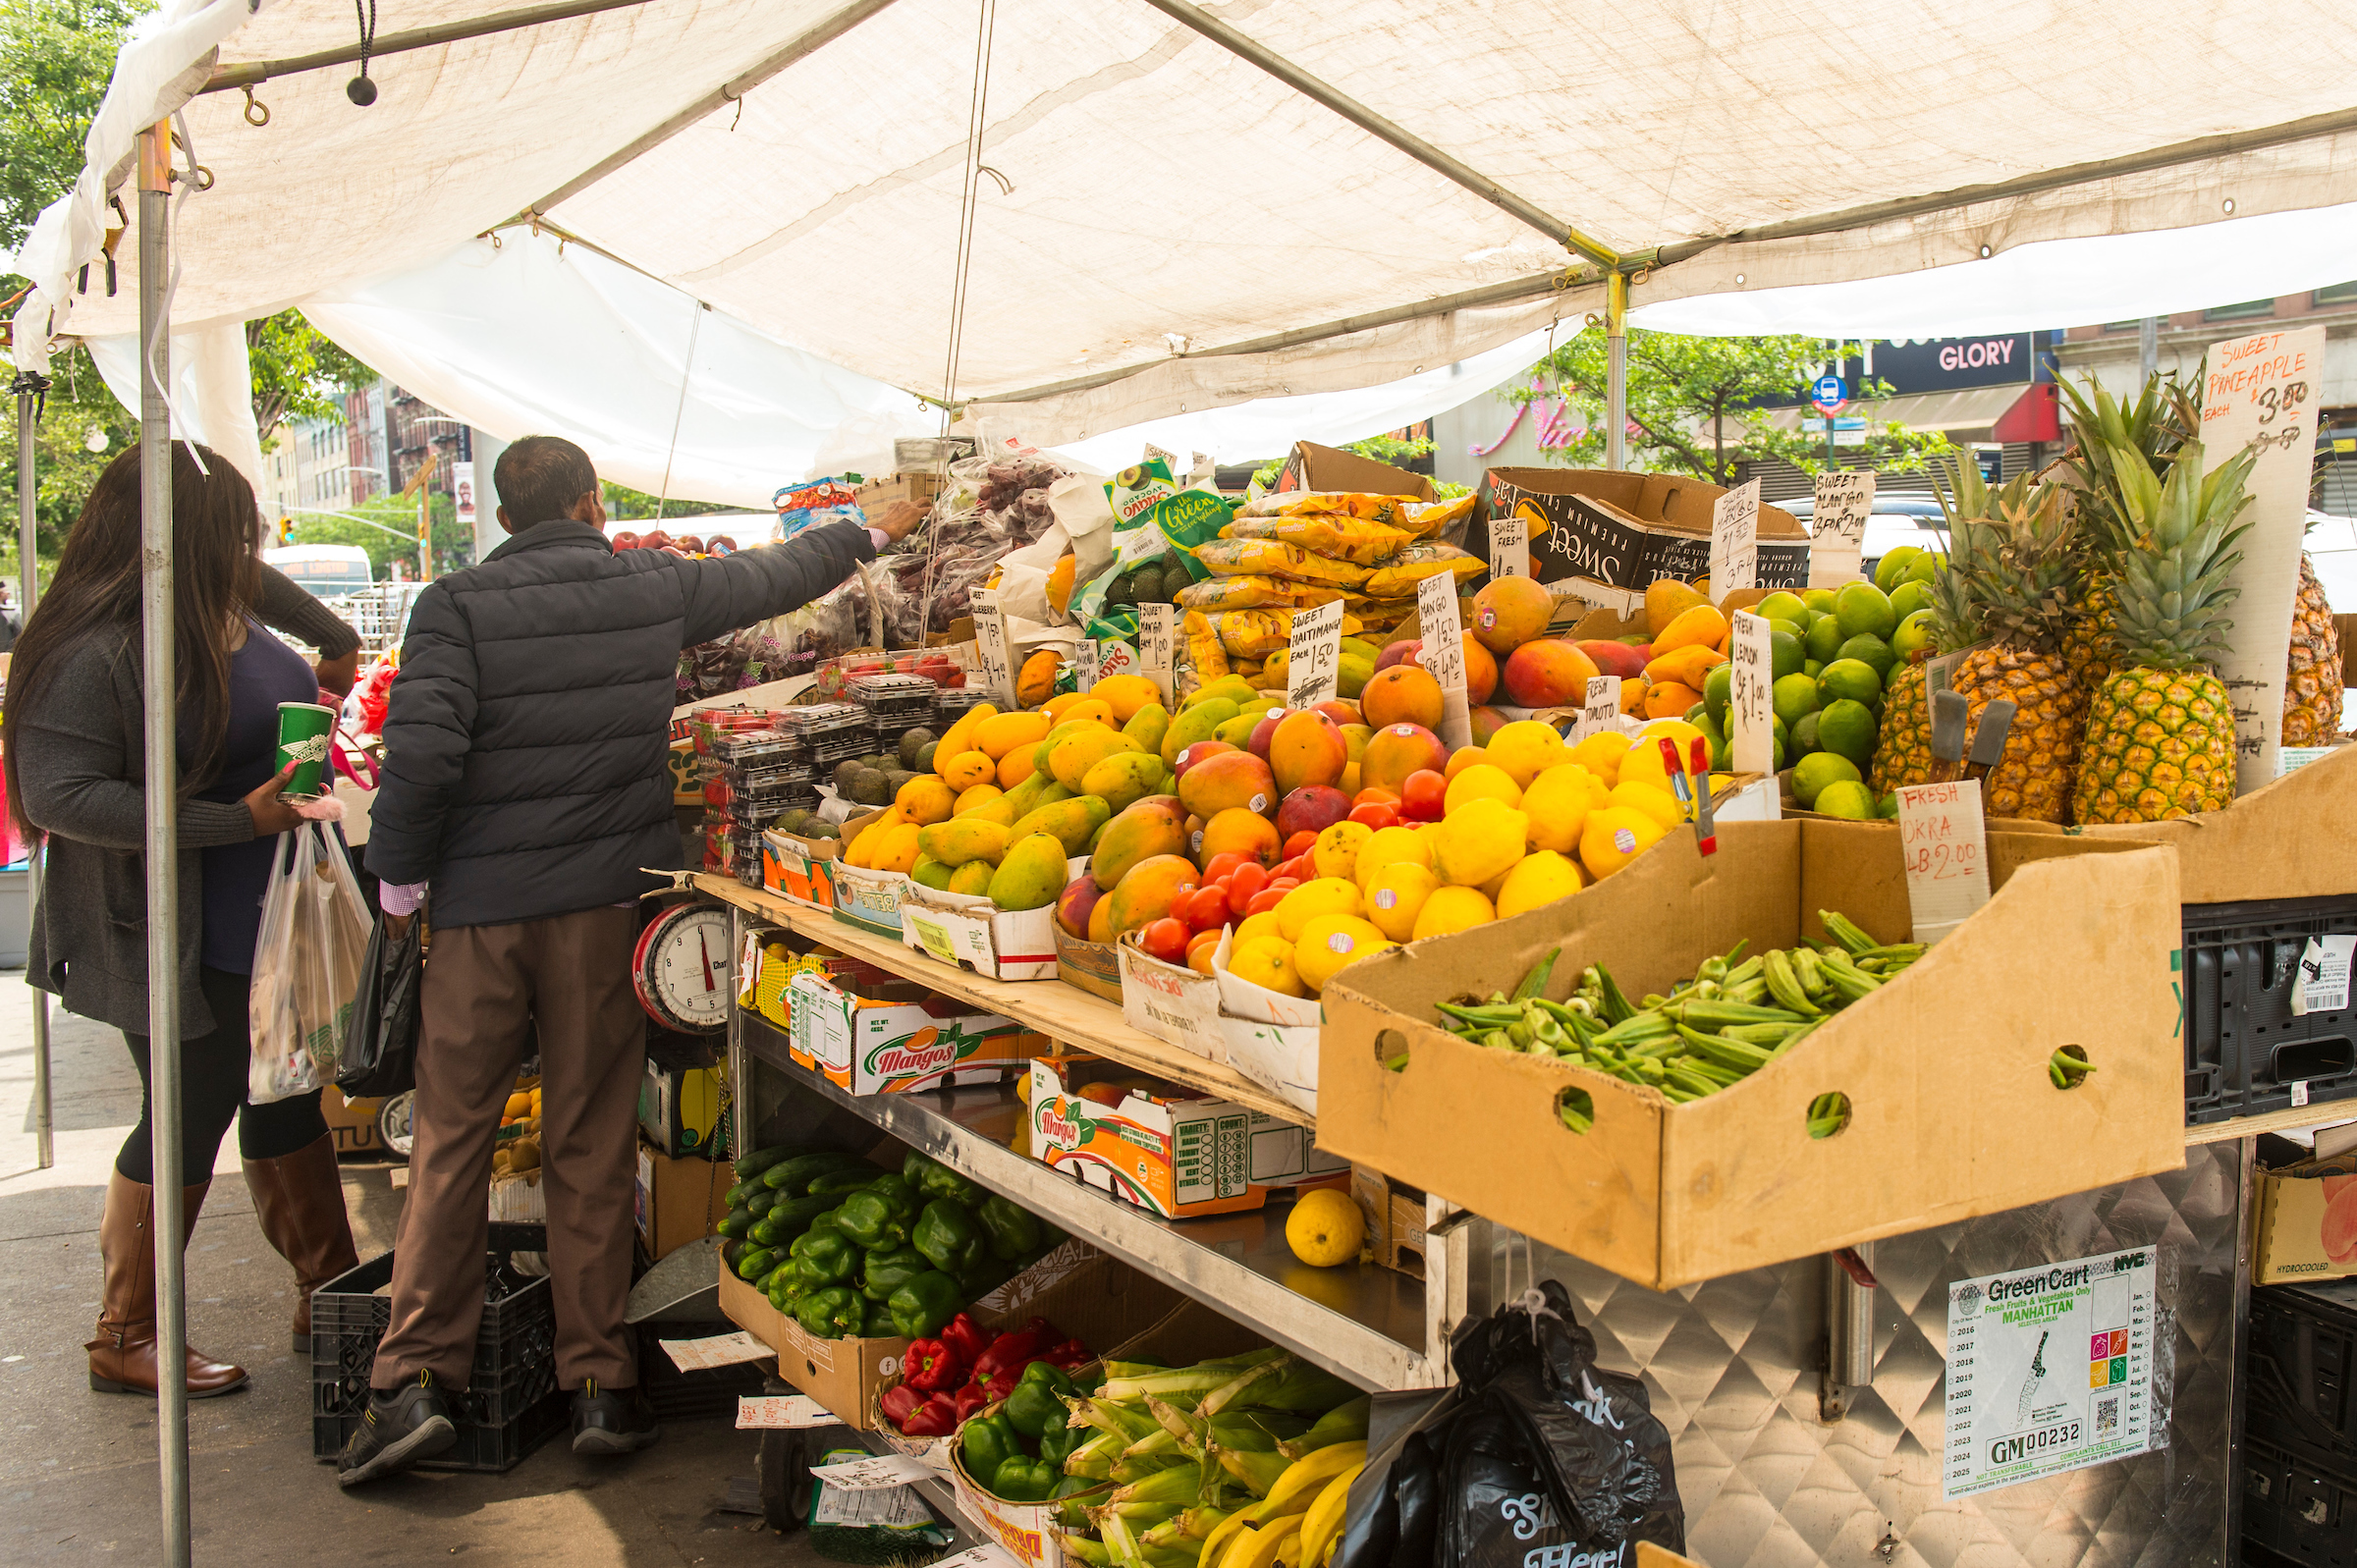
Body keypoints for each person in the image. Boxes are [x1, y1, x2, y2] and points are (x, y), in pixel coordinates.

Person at [338, 436, 922, 1486]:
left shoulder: (454, 605)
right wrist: (869, 529)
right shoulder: (647, 586)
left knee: (451, 1140)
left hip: (479, 917)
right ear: (591, 502)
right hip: (605, 912)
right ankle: (602, 1382)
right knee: (591, 1137)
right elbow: (775, 575)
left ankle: (414, 1380)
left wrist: (400, 877)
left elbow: (423, 752)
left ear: (505, 516)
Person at [6, 443, 370, 1400]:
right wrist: (234, 820)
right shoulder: (96, 647)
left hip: (263, 913)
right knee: (189, 1110)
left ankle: (330, 1289)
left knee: (286, 1094)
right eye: (231, 536)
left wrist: (329, 638)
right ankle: (124, 1332)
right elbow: (59, 795)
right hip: (168, 924)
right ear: (170, 539)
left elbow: (278, 605)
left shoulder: (213, 597)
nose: (248, 554)